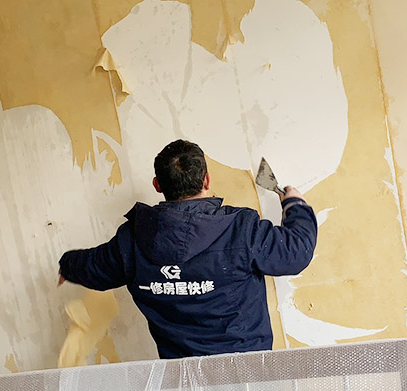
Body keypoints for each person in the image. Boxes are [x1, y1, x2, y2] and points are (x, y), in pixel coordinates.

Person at [58, 139, 317, 359]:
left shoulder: (131, 241)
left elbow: (93, 266)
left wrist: (67, 266)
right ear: (207, 180)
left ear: (157, 185)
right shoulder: (240, 230)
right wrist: (294, 204)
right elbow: (296, 252)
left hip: (184, 383)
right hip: (247, 378)